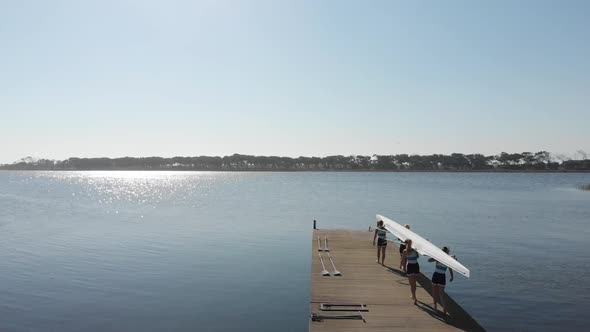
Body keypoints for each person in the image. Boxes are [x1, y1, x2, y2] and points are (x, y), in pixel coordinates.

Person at [429, 247, 454, 315]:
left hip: (436, 275)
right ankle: (444, 308)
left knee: (434, 292)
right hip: (442, 276)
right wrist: (452, 277)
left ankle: (435, 307)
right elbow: (450, 269)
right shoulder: (448, 259)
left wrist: (435, 257)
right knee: (441, 294)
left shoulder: (439, 257)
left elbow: (429, 260)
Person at [400, 239, 420, 305]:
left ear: (405, 244)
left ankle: (414, 296)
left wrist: (404, 269)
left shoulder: (405, 251)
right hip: (416, 266)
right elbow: (417, 257)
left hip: (410, 266)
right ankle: (413, 295)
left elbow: (403, 260)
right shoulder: (415, 250)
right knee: (414, 283)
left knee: (412, 284)